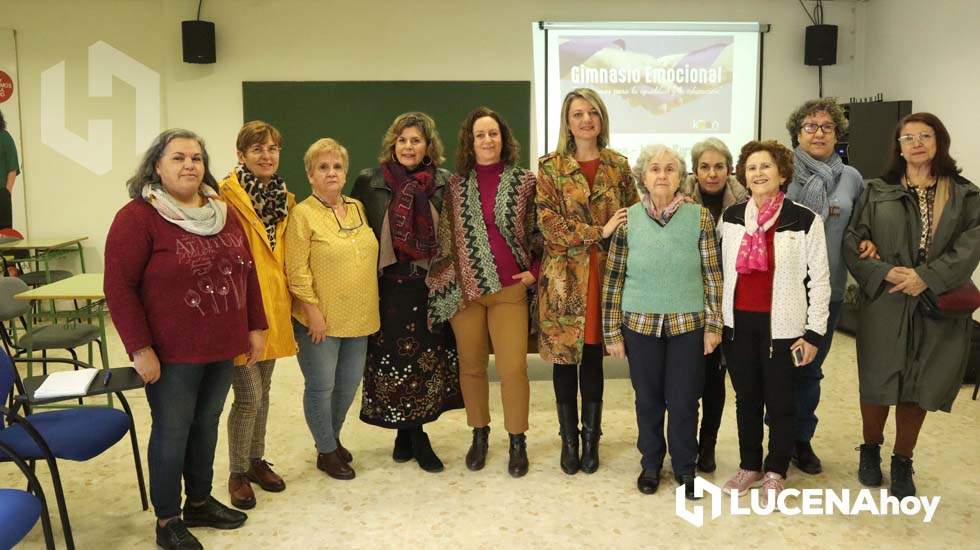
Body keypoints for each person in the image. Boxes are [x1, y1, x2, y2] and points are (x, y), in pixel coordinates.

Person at [104, 129, 266, 550]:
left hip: (221, 343)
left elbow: (246, 272)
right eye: (178, 158)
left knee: (206, 425)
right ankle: (167, 519)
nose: (189, 165)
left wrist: (255, 326)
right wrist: (140, 348)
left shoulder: (223, 212)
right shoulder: (137, 217)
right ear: (157, 165)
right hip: (171, 352)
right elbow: (118, 287)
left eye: (196, 157)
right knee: (172, 430)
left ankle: (198, 501)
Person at [843, 112, 980, 498]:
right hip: (886, 299)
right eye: (908, 137)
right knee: (878, 377)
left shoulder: (965, 195)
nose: (916, 142)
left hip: (936, 302)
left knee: (919, 383)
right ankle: (870, 450)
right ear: (898, 147)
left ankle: (903, 460)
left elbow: (970, 247)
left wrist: (927, 278)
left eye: (925, 135)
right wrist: (885, 272)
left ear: (940, 142)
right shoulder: (875, 190)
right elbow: (855, 240)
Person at [602, 145, 722, 498]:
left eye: (670, 169)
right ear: (642, 177)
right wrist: (612, 331)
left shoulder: (700, 218)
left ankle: (686, 467)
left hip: (689, 326)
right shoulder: (628, 219)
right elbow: (614, 278)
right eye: (655, 169)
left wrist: (714, 327)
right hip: (639, 326)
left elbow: (713, 277)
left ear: (681, 177)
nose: (662, 175)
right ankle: (651, 463)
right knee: (648, 400)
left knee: (685, 400)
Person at [426, 107, 541, 477]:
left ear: (504, 138)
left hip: (509, 289)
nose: (487, 140)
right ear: (470, 142)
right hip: (466, 293)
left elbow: (539, 232)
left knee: (512, 368)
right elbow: (447, 239)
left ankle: (517, 440)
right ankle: (479, 434)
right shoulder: (456, 186)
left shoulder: (525, 182)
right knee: (472, 367)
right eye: (480, 135)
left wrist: (533, 273)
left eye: (493, 133)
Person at [717, 140, 830, 504]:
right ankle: (749, 465)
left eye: (766, 166)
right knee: (746, 400)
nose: (759, 173)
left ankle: (776, 470)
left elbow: (821, 280)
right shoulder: (731, 217)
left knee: (781, 403)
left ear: (782, 173)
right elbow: (718, 271)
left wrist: (813, 334)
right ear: (744, 175)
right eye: (751, 167)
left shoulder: (804, 219)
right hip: (738, 326)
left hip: (784, 329)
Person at [351, 112, 463, 473]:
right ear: (392, 143)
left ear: (428, 145)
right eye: (402, 140)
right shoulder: (369, 182)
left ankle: (410, 434)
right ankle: (413, 437)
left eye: (416, 140)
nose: (408, 146)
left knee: (424, 364)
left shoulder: (445, 182)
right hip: (385, 289)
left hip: (428, 286)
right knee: (393, 362)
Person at [536, 88, 638, 475]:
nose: (586, 119)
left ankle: (591, 440)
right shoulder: (550, 167)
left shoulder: (618, 166)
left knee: (594, 359)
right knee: (565, 361)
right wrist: (599, 230)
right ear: (567, 121)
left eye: (593, 112)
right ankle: (569, 441)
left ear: (602, 119)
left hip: (608, 275)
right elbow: (547, 224)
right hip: (564, 280)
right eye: (577, 113)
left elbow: (633, 218)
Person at [285, 138, 380, 481]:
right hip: (320, 319)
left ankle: (332, 438)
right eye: (323, 167)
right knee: (321, 386)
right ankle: (326, 452)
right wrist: (312, 312)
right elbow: (296, 270)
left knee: (348, 385)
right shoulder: (302, 214)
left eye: (337, 166)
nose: (331, 173)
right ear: (310, 175)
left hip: (362, 315)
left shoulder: (357, 206)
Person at [784, 98, 869, 475]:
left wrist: (870, 243)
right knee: (777, 369)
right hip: (781, 293)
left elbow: (862, 228)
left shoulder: (851, 178)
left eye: (826, 127)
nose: (818, 133)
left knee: (809, 369)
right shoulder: (780, 171)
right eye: (810, 126)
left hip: (827, 293)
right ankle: (777, 439)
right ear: (797, 133)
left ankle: (801, 440)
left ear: (837, 133)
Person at [218, 121, 296, 510]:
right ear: (241, 154)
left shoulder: (284, 198)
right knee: (247, 397)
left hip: (274, 308)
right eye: (257, 149)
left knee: (262, 395)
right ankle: (236, 471)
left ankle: (254, 460)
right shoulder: (224, 197)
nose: (266, 156)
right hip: (240, 310)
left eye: (273, 148)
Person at [680, 137, 748, 473]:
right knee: (687, 381)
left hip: (729, 303)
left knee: (714, 381)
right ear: (694, 171)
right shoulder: (678, 201)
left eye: (718, 166)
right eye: (704, 167)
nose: (711, 173)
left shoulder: (746, 204)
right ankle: (686, 446)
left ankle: (707, 447)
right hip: (689, 300)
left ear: (729, 169)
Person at [0, 109, 20, 229]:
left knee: (4, 237)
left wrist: (7, 192)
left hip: (1, 193)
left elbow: (12, 168)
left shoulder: (4, 137)